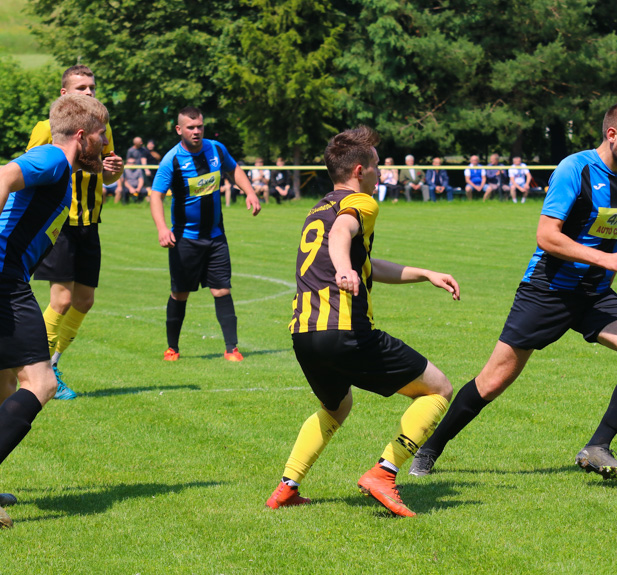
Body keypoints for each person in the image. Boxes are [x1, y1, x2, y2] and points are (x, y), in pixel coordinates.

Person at [410, 101, 617, 482]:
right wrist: (604, 260)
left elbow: (607, 228)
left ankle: (597, 446)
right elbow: (546, 236)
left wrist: (603, 266)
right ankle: (429, 448)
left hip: (595, 294)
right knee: (492, 381)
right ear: (612, 135)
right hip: (548, 290)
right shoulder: (574, 169)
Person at [265, 126, 459, 518]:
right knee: (438, 389)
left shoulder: (318, 208)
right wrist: (342, 270)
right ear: (359, 170)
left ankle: (287, 486)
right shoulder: (361, 203)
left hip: (304, 335)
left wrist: (426, 273)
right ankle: (383, 474)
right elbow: (342, 236)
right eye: (376, 166)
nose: (381, 172)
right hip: (344, 331)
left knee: (336, 407)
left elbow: (366, 264)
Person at [0, 93, 110, 528]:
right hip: (5, 280)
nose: (104, 145)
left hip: (8, 278)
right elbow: (5, 174)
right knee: (41, 383)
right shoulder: (53, 159)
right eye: (101, 137)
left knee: (6, 382)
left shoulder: (65, 169)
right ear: (81, 136)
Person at [25, 65, 124, 400]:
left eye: (93, 87)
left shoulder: (103, 127)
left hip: (90, 224)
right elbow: (30, 168)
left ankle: (51, 363)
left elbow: (107, 176)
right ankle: (34, 368)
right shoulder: (46, 128)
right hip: (60, 223)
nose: (90, 93)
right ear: (64, 94)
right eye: (82, 87)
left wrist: (114, 171)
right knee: (62, 299)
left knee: (84, 300)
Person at [149, 106, 262, 362]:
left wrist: (250, 192)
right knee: (180, 293)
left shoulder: (216, 149)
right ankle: (172, 348)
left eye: (199, 126)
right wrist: (162, 228)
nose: (196, 131)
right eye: (191, 127)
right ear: (179, 130)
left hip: (215, 237)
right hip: (185, 239)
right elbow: (156, 196)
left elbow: (233, 170)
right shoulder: (172, 159)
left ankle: (231, 348)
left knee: (222, 290)